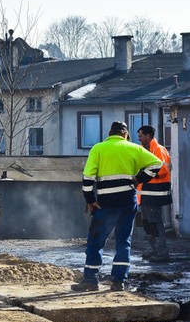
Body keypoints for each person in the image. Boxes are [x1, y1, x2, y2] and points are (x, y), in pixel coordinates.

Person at [73, 121, 162, 292]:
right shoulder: (134, 148)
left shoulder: (98, 148)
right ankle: (119, 281)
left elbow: (87, 178)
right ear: (125, 134)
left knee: (96, 241)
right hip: (128, 201)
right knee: (123, 242)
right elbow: (157, 163)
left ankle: (91, 280)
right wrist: (139, 178)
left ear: (109, 133)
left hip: (106, 203)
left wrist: (90, 199)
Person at [136, 125, 172, 262]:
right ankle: (155, 250)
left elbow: (162, 171)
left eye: (141, 136)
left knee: (156, 223)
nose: (139, 139)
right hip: (146, 194)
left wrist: (144, 173)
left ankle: (162, 253)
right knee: (148, 224)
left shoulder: (158, 150)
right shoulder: (145, 150)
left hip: (155, 194)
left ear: (148, 136)